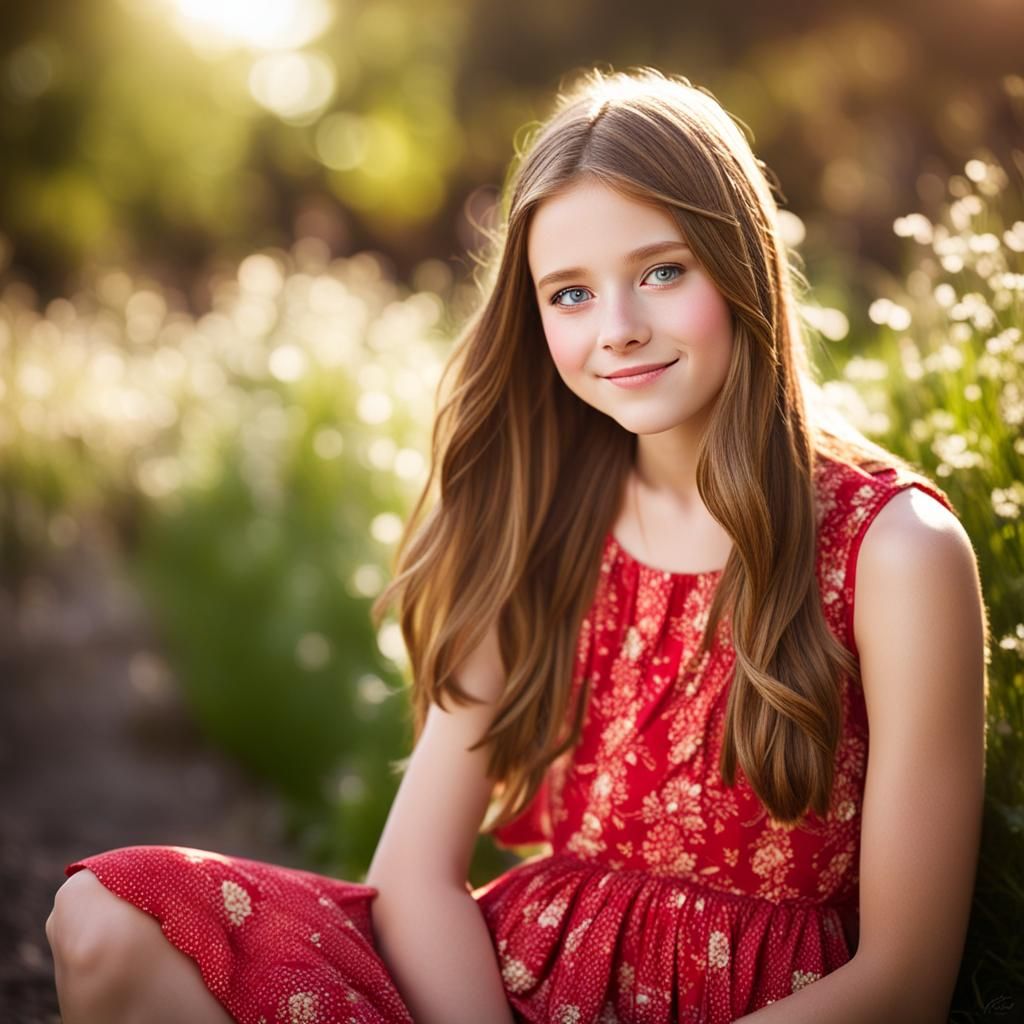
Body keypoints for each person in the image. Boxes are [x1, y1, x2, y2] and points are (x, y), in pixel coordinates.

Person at [45, 67, 988, 1024]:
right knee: (105, 917)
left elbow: (904, 983)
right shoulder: (544, 518)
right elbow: (414, 876)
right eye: (570, 294)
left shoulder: (894, 552)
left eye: (663, 271)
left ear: (738, 264)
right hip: (512, 993)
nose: (618, 330)